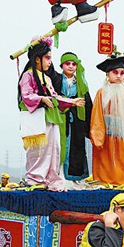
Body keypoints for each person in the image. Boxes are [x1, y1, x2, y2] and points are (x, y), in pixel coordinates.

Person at [18, 37, 83, 191]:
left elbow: (55, 97)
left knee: (54, 149)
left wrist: (72, 102)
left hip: (51, 117)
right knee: (39, 151)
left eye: (50, 58)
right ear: (37, 59)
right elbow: (26, 95)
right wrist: (42, 98)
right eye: (47, 58)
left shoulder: (46, 78)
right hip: (37, 118)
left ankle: (50, 178)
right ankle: (35, 178)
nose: (49, 62)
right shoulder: (28, 75)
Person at [90, 55, 124, 187]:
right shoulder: (102, 93)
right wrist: (98, 137)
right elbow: (97, 116)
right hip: (106, 137)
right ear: (107, 74)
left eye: (122, 73)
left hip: (122, 137)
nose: (118, 76)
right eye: (115, 72)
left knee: (123, 163)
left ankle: (123, 182)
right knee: (105, 163)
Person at [49, 51, 93, 183]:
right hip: (59, 119)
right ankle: (57, 176)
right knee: (57, 146)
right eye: (67, 63)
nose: (71, 66)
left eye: (74, 64)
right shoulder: (55, 79)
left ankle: (75, 179)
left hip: (76, 123)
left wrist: (90, 126)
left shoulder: (81, 83)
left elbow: (88, 105)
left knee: (77, 147)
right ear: (61, 65)